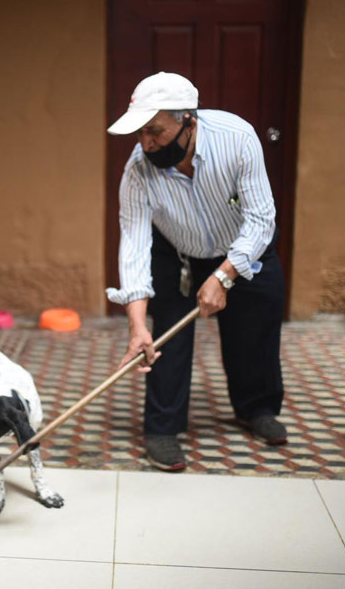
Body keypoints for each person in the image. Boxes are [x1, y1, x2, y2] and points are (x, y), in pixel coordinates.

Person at [106, 71, 287, 472]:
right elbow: (134, 244)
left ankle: (256, 409)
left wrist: (224, 276)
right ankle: (162, 429)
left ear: (189, 120)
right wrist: (137, 325)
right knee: (164, 341)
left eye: (155, 131)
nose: (146, 143)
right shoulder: (137, 170)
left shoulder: (237, 138)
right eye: (140, 133)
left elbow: (261, 218)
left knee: (253, 334)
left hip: (245, 248)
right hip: (180, 256)